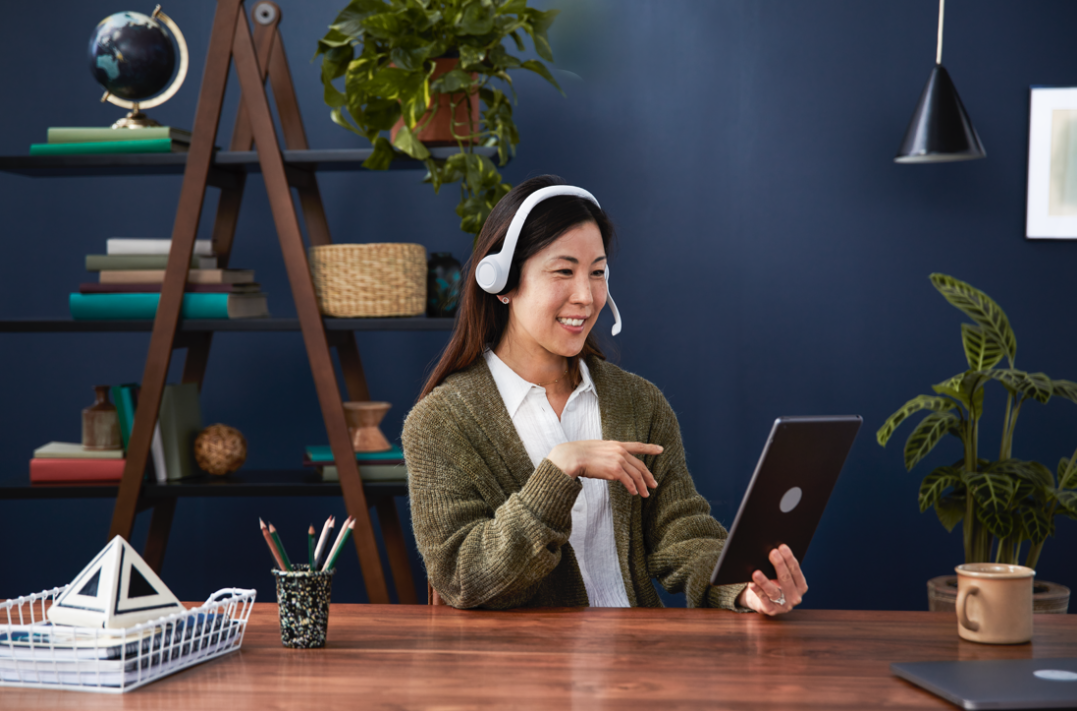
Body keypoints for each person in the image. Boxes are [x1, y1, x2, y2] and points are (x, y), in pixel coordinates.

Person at [402, 175, 808, 613]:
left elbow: (682, 535)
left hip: (639, 663)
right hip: (523, 672)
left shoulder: (638, 402)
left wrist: (745, 589)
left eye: (597, 273)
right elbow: (465, 578)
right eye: (563, 271)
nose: (586, 295)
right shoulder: (440, 421)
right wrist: (560, 469)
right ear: (502, 282)